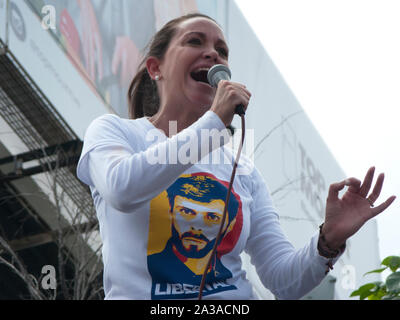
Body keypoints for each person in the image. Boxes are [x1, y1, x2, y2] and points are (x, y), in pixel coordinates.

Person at [76, 13, 396, 300]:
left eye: (222, 50)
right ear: (155, 67)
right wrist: (213, 123)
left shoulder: (243, 171)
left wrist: (327, 241)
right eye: (195, 41)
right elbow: (121, 189)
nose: (213, 53)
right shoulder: (115, 133)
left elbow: (282, 281)